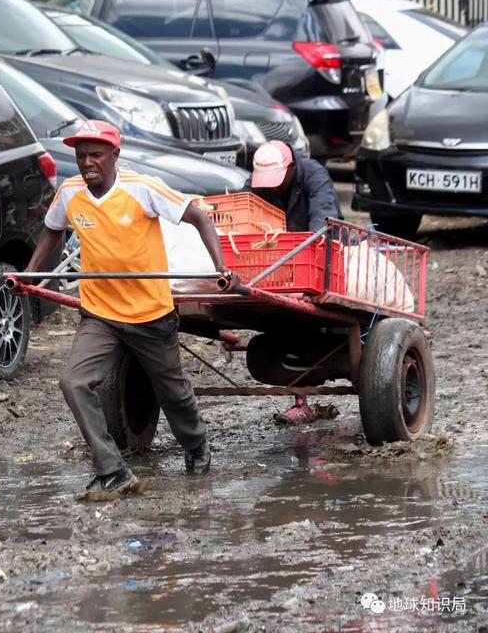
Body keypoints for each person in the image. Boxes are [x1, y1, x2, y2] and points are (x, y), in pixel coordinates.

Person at [24, 120, 234, 496]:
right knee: (73, 382)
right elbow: (52, 229)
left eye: (96, 155)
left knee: (173, 393)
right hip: (100, 315)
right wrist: (31, 274)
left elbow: (198, 215)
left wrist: (221, 267)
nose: (87, 162)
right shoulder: (71, 193)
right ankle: (112, 469)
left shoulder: (142, 188)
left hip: (149, 313)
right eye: (81, 155)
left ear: (115, 156)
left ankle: (196, 444)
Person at [245, 140, 343, 424]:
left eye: (277, 181)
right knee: (282, 326)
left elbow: (324, 220)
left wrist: (310, 256)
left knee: (306, 325)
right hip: (276, 268)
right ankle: (301, 400)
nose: (272, 188)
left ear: (290, 169)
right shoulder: (255, 185)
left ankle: (306, 393)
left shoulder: (314, 176)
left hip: (319, 260)